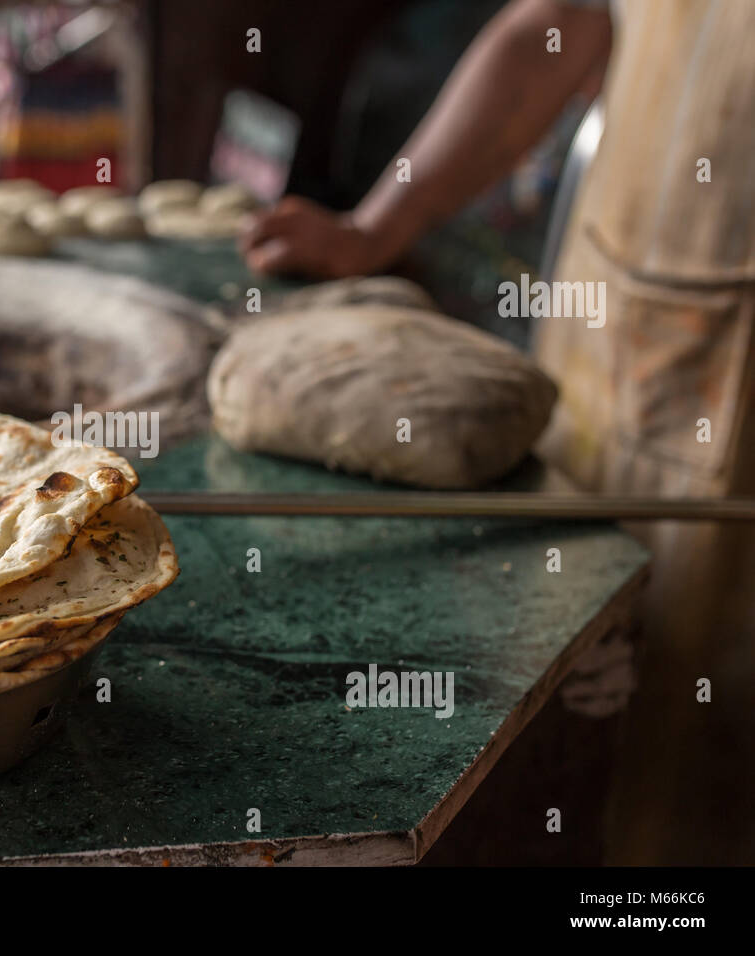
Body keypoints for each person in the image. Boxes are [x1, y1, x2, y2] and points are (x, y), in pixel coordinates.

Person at [241, 0, 755, 861]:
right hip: (605, 344)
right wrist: (375, 228)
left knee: (701, 783)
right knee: (563, 728)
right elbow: (557, 27)